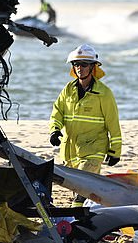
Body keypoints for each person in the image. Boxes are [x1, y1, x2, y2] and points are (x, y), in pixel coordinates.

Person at [48, 44, 122, 207]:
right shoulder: (68, 90)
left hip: (93, 150)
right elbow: (57, 112)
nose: (79, 68)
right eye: (76, 64)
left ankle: (74, 222)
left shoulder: (104, 93)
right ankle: (86, 217)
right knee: (80, 189)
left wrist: (115, 151)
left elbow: (113, 124)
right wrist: (55, 130)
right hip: (70, 150)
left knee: (81, 194)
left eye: (84, 64)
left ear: (93, 67)